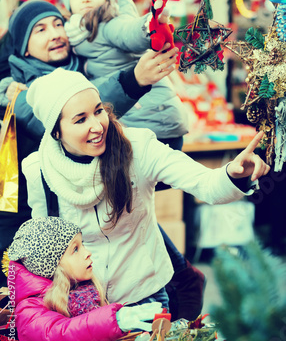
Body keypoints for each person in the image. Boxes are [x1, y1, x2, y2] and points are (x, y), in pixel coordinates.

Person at [22, 68, 270, 309]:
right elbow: (46, 250)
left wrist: (235, 174)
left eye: (99, 111)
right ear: (56, 130)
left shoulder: (138, 149)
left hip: (144, 298)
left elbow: (205, 184)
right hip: (82, 307)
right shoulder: (39, 170)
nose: (97, 126)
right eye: (81, 119)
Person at [0, 0, 177, 288]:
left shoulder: (86, 69)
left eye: (58, 24)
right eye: (40, 29)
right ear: (23, 47)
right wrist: (134, 79)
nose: (55, 33)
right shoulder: (12, 90)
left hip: (100, 207)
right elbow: (48, 117)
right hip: (34, 217)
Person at [8, 216, 162, 341]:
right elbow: (63, 332)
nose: (87, 253)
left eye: (83, 245)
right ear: (53, 265)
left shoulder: (83, 294)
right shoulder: (28, 310)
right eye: (75, 249)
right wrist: (115, 320)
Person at [62, 0, 189, 151]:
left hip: (150, 117)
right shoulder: (77, 29)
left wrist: (149, 26)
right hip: (135, 114)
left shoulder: (110, 22)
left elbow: (128, 32)